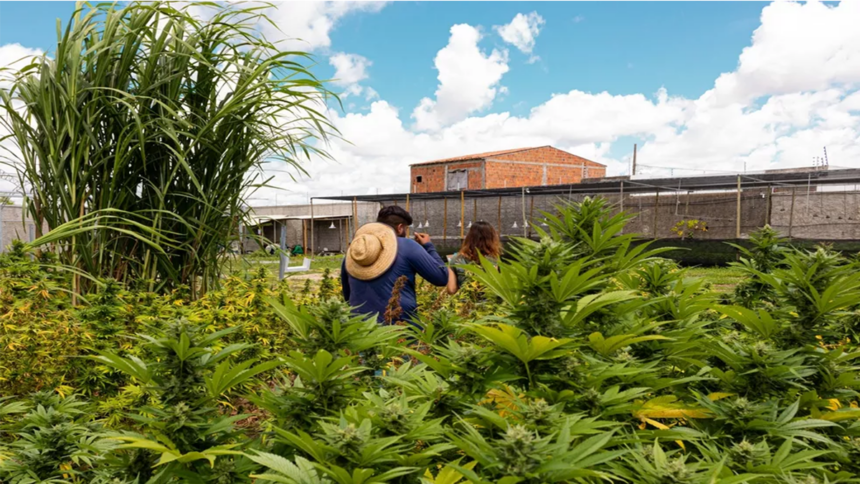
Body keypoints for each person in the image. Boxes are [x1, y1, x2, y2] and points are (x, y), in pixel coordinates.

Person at [341, 206, 450, 324]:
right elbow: (442, 277)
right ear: (400, 228)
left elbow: (348, 295)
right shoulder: (408, 245)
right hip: (400, 331)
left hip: (359, 329)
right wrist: (428, 246)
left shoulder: (354, 251)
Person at [446, 221, 501, 294]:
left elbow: (451, 290)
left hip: (464, 303)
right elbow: (494, 286)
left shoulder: (456, 259)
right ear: (491, 239)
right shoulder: (493, 259)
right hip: (487, 303)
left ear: (469, 237)